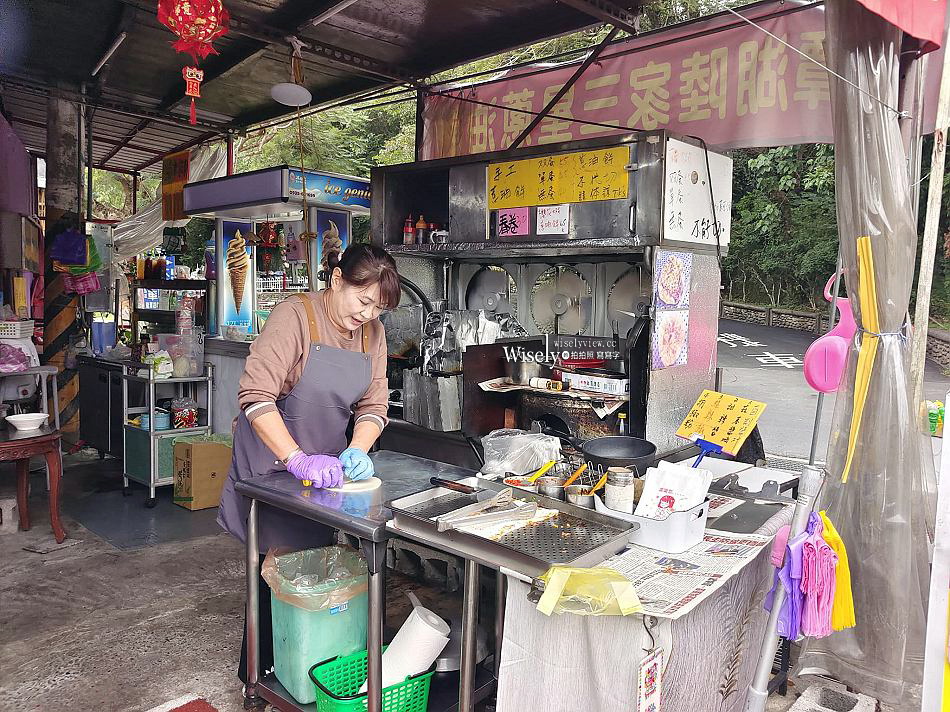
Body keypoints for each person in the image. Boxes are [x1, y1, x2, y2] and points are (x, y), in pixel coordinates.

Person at [217, 243, 400, 682]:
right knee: (273, 568)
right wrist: (296, 458)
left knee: (316, 565)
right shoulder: (294, 317)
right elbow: (256, 397)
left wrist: (358, 447)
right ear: (337, 280)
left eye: (378, 307)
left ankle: (314, 669)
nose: (368, 314)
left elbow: (374, 404)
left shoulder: (373, 334)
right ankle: (258, 677)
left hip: (327, 472)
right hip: (272, 463)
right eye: (362, 300)